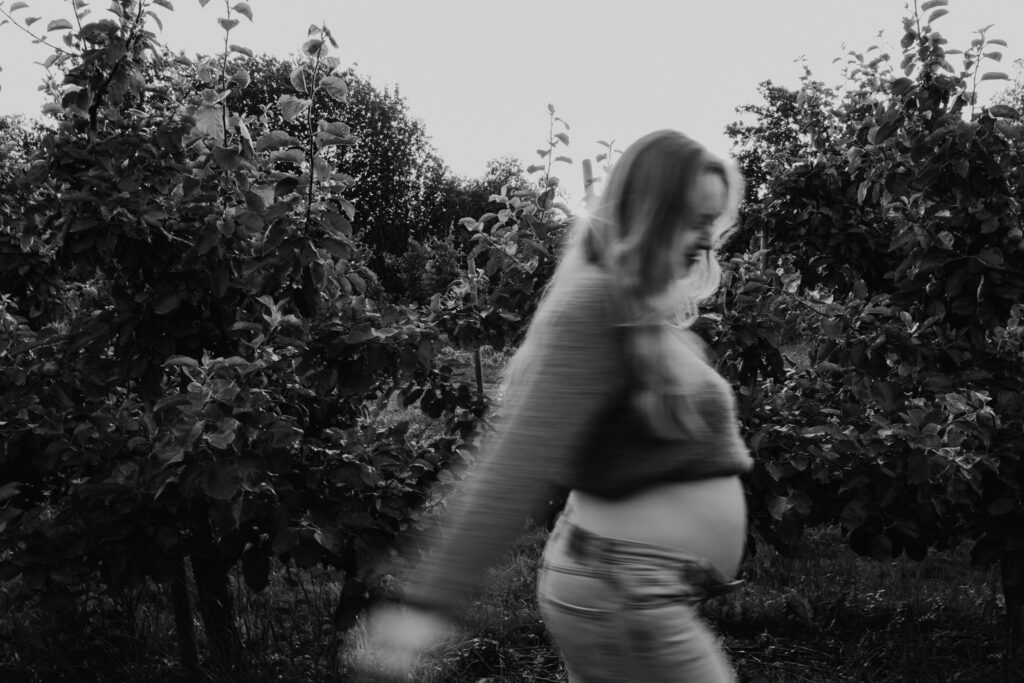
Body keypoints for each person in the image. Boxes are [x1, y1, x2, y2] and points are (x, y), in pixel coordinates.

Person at [358, 129, 753, 682]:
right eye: (693, 219)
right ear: (651, 210)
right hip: (623, 593)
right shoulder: (597, 300)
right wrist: (427, 603)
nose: (707, 239)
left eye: (713, 222)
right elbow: (515, 459)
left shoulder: (632, 307)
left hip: (630, 590)